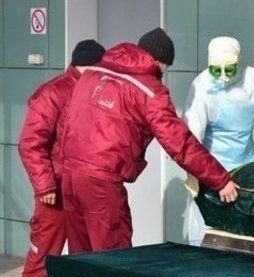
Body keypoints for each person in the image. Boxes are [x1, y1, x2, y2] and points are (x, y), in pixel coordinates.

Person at [61, 28, 238, 254]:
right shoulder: (150, 90)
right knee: (114, 260)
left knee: (79, 259)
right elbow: (180, 143)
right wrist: (220, 179)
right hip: (102, 184)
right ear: (159, 62)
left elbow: (70, 118)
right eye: (165, 68)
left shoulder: (93, 72)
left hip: (70, 175)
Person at [14, 40, 106, 277]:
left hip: (83, 188)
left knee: (84, 256)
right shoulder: (52, 93)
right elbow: (30, 143)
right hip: (54, 192)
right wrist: (45, 185)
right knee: (44, 254)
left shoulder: (96, 92)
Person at [183, 36, 254, 245]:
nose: (223, 76)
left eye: (229, 69)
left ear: (239, 62)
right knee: (204, 236)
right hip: (211, 172)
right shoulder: (201, 85)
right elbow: (192, 135)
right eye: (216, 70)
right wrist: (201, 174)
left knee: (247, 235)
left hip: (247, 171)